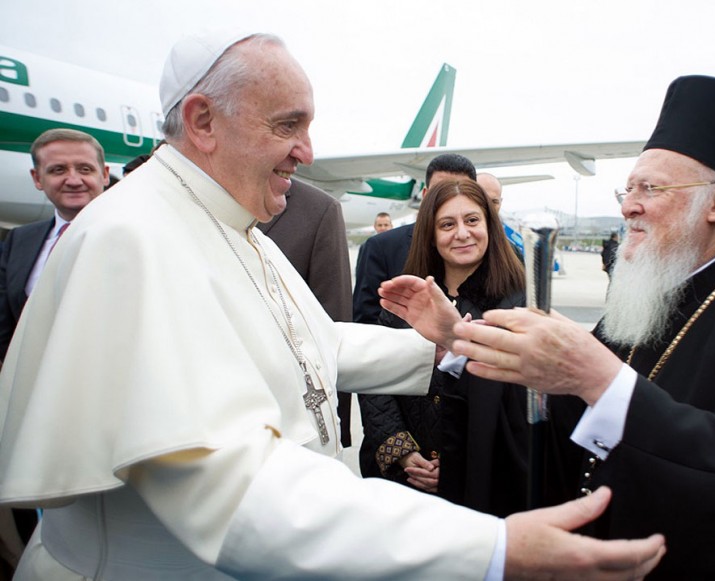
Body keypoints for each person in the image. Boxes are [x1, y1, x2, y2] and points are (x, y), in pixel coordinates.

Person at [0, 31, 666, 580]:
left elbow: (312, 344)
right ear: (202, 120)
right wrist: (490, 549)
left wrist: (436, 342)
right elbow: (239, 491)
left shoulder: (222, 224)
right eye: (287, 125)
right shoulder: (134, 238)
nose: (308, 152)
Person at [381, 75, 715, 579]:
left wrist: (602, 380)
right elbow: (556, 419)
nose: (629, 205)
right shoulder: (646, 305)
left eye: (650, 188)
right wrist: (458, 342)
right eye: (627, 188)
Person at [359, 179, 529, 517]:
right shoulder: (410, 295)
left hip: (481, 483)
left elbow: (518, 405)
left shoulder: (519, 303)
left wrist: (456, 464)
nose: (462, 233)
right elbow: (376, 381)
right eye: (447, 224)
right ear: (431, 235)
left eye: (472, 221)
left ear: (489, 226)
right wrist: (404, 453)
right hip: (405, 478)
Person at [258, 178, 355, 447]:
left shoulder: (318, 209)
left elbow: (332, 321)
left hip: (291, 430)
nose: (305, 153)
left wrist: (338, 423)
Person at [0, 128, 108, 362]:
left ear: (105, 174)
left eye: (85, 169)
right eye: (58, 170)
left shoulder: (141, 236)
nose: (73, 180)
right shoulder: (19, 240)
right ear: (37, 178)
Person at [353, 153, 477, 324]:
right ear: (425, 196)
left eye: (461, 191)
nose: (451, 199)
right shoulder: (382, 248)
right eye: (440, 192)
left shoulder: (496, 251)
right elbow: (365, 325)